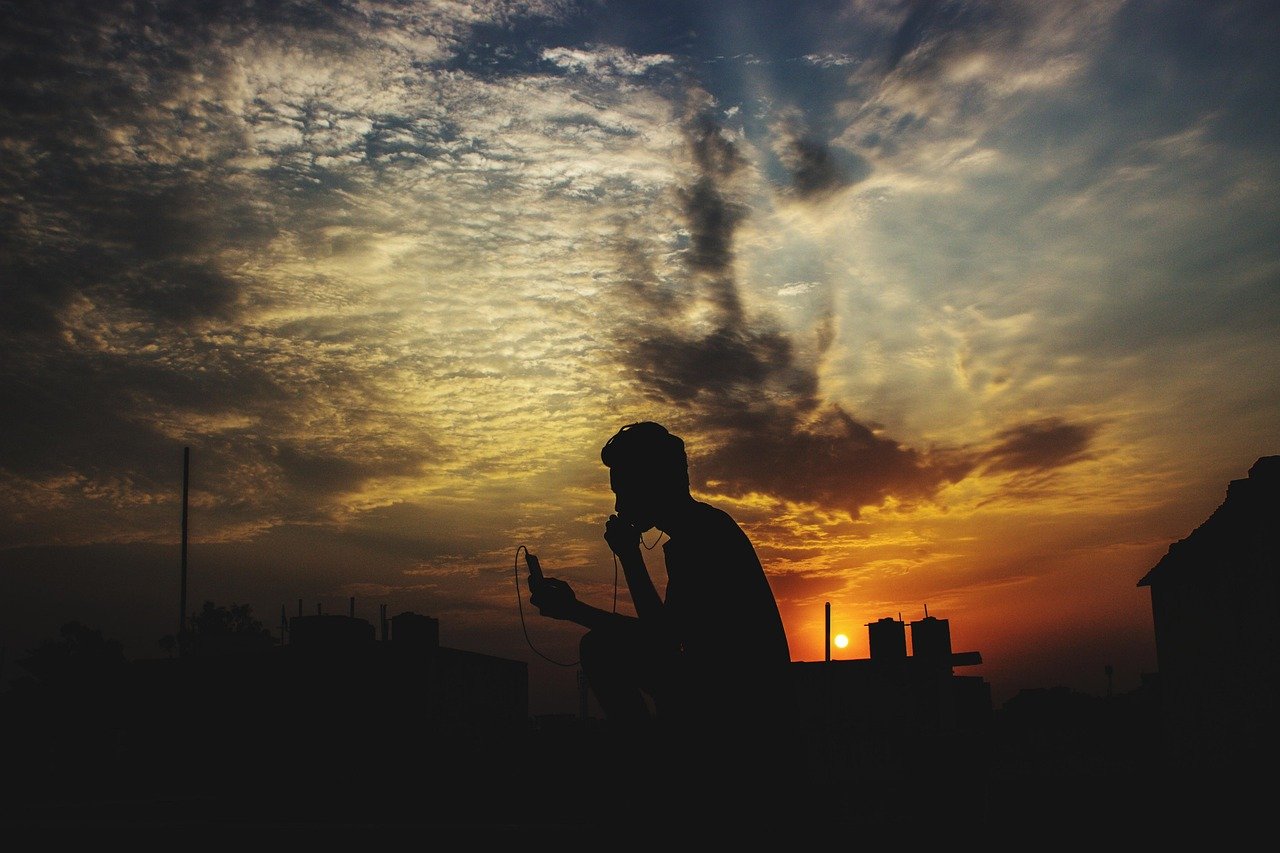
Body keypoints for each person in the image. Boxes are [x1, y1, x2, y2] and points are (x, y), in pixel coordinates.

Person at [529, 422, 795, 815]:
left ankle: (652, 773)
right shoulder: (701, 531)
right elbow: (666, 636)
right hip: (732, 699)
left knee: (599, 648)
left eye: (623, 490)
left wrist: (622, 566)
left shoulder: (701, 539)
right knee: (602, 646)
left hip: (738, 714)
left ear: (652, 481)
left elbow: (662, 640)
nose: (619, 506)